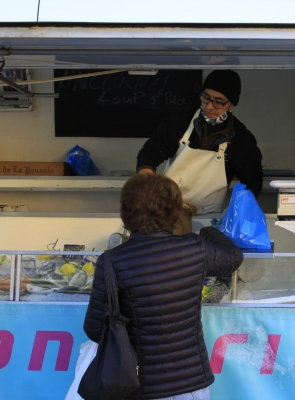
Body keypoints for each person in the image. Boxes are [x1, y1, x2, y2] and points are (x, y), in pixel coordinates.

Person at [83, 174, 243, 400]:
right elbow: (233, 257)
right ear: (175, 211)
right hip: (192, 384)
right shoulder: (195, 248)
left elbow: (95, 329)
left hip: (141, 386)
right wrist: (207, 230)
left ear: (126, 212)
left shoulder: (111, 262)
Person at [136, 70, 263, 216]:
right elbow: (151, 152)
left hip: (208, 218)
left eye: (218, 102)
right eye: (206, 98)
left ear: (231, 105)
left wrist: (235, 213)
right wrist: (146, 182)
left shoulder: (241, 140)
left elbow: (253, 182)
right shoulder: (180, 120)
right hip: (166, 212)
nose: (209, 106)